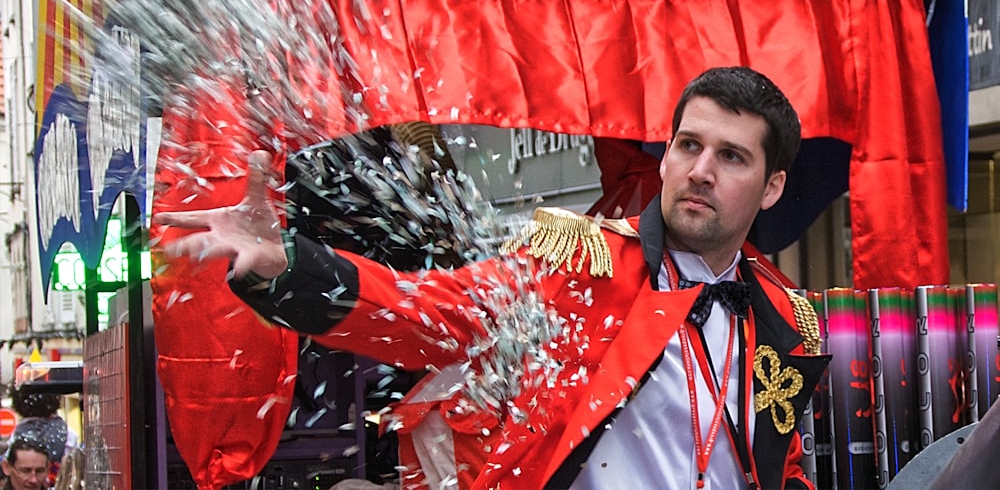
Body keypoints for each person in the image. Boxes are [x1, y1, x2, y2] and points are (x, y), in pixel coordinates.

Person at [157, 66, 831, 489]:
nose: (701, 168)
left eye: (731, 156)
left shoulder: (784, 315)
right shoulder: (582, 265)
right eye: (689, 144)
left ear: (771, 187)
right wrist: (290, 266)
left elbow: (779, 460)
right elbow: (430, 314)